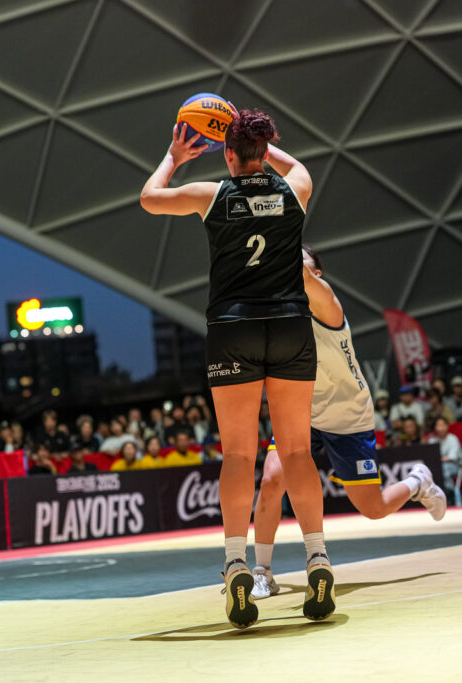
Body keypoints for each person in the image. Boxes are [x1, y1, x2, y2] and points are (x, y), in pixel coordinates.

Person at [141, 109, 332, 627]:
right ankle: (317, 558)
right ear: (265, 149)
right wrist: (258, 141)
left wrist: (175, 157)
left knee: (240, 455)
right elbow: (293, 165)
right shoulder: (296, 188)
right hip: (290, 325)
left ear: (227, 154)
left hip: (234, 329)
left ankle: (235, 565)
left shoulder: (212, 195)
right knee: (296, 451)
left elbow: (150, 197)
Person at [252, 246, 445, 598]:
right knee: (271, 480)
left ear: (317, 274)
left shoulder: (327, 303)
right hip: (302, 413)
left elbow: (299, 274)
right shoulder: (277, 315)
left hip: (347, 414)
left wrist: (278, 237)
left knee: (373, 508)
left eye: (300, 258)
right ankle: (262, 571)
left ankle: (417, 482)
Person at [427, 416, 462, 505]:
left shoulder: (453, 439)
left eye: (443, 425)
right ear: (435, 428)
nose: (441, 428)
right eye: (438, 426)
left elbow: (452, 457)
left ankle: (449, 493)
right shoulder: (432, 441)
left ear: (447, 426)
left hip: (455, 465)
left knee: (444, 468)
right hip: (437, 466)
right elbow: (430, 458)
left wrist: (438, 460)